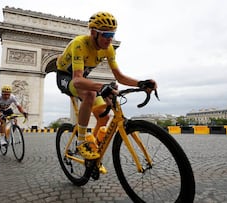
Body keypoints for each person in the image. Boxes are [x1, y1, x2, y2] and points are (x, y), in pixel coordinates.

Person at [56, 11, 157, 164]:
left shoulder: (108, 49)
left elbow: (119, 77)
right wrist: (101, 86)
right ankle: (81, 141)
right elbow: (77, 80)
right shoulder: (79, 43)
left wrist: (141, 83)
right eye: (106, 35)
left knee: (104, 114)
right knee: (90, 94)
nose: (110, 40)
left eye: (112, 35)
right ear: (93, 32)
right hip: (65, 77)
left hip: (81, 78)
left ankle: (93, 146)